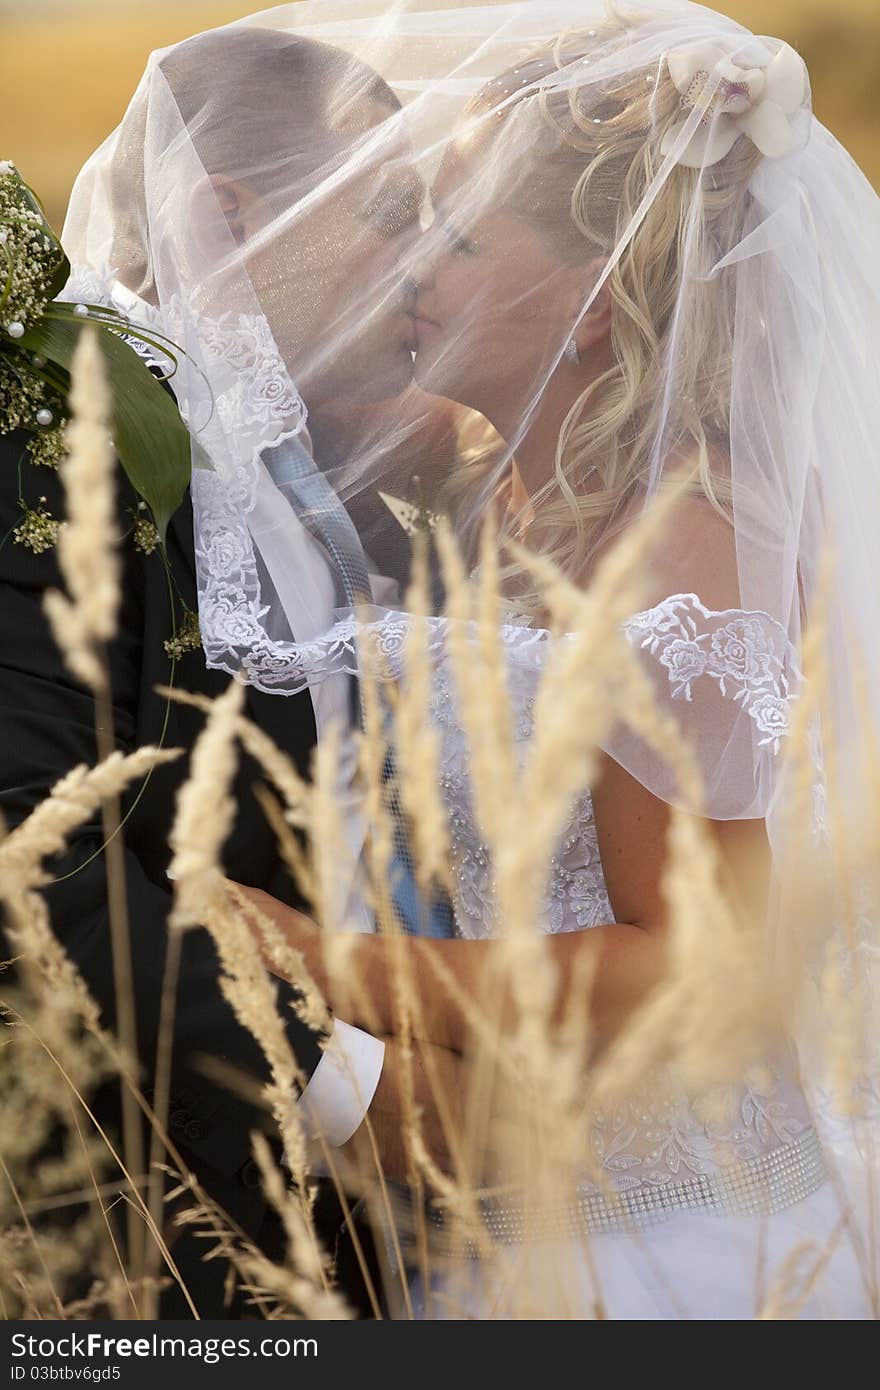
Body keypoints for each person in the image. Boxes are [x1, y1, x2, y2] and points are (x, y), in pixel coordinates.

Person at [219, 2, 879, 1317]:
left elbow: (684, 962)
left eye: (454, 241)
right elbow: (257, 381)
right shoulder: (486, 476)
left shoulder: (685, 547)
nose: (408, 270)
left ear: (585, 304)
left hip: (687, 1236)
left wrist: (319, 961)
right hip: (517, 1197)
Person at [0, 23, 463, 1318]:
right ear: (229, 212)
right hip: (129, 1234)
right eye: (388, 213)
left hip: (332, 1234)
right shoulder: (60, 428)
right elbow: (35, 844)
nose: (423, 261)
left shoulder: (304, 466)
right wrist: (338, 1092)